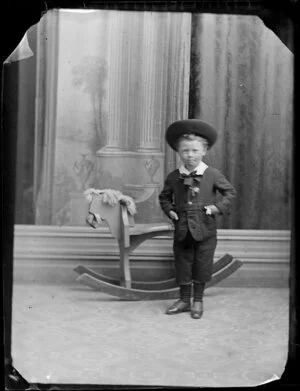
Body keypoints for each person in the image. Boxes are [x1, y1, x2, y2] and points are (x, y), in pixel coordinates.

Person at [159, 119, 236, 319]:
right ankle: (184, 299)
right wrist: (170, 211)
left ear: (204, 151)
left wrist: (216, 207)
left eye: (194, 151)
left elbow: (230, 193)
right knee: (183, 263)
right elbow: (164, 197)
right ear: (178, 152)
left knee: (202, 263)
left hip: (205, 229)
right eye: (185, 151)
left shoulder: (212, 174)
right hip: (182, 228)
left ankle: (198, 300)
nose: (190, 155)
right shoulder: (174, 177)